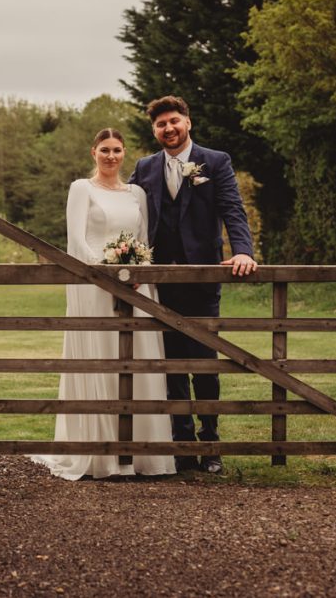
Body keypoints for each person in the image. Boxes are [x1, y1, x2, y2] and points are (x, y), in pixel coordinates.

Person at [32, 128, 176, 480]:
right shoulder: (82, 188)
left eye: (117, 150)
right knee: (102, 357)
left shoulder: (136, 193)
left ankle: (143, 455)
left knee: (138, 359)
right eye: (105, 150)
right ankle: (101, 455)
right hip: (93, 284)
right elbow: (76, 240)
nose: (111, 156)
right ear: (93, 152)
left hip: (137, 286)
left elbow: (143, 240)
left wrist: (138, 271)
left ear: (124, 153)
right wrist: (105, 274)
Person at [128, 95, 256, 475]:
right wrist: (127, 261)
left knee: (204, 364)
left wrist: (244, 251)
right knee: (170, 365)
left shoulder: (215, 161)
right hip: (159, 282)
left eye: (174, 121)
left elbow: (232, 208)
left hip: (202, 280)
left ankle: (211, 445)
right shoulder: (145, 167)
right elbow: (130, 212)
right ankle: (182, 447)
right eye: (161, 124)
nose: (168, 129)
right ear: (154, 130)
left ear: (188, 122)